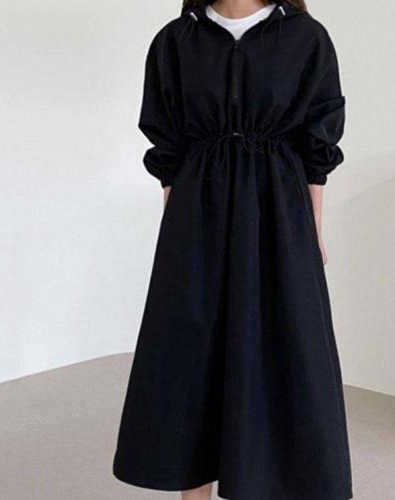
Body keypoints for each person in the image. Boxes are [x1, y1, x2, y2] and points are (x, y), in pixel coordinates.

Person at [113, 1, 353, 499]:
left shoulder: (306, 37)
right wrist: (175, 233)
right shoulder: (176, 41)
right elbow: (167, 146)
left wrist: (313, 231)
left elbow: (317, 145)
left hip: (278, 212)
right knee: (190, 357)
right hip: (197, 213)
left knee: (281, 349)